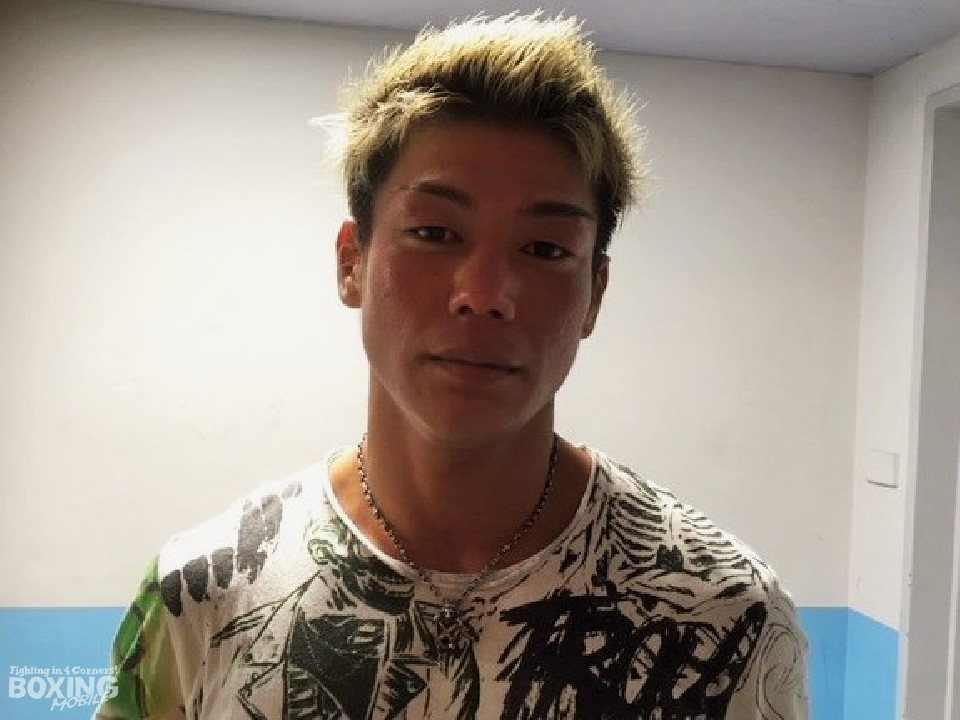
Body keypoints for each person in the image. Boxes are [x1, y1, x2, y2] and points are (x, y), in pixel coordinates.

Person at [96, 13, 809, 719]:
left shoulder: (723, 619)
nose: (484, 293)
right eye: (435, 233)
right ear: (351, 262)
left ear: (595, 292)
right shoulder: (205, 595)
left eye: (545, 249)